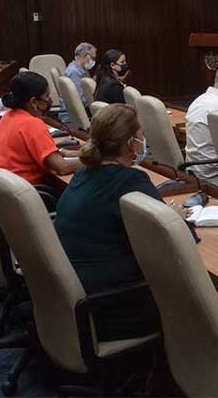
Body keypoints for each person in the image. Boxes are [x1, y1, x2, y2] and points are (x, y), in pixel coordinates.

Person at [54, 103, 187, 341]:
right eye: (140, 135)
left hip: (79, 299)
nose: (143, 140)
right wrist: (174, 217)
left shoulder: (84, 172)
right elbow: (177, 239)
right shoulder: (131, 180)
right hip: (116, 307)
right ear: (129, 144)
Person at [0, 71, 81, 184]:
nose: (50, 100)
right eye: (47, 96)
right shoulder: (32, 124)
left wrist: (69, 153)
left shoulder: (8, 116)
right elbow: (62, 167)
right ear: (33, 101)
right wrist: (99, 161)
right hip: (21, 193)